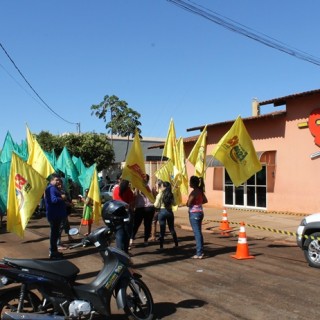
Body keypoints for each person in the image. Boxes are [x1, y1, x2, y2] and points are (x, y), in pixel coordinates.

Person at [44, 173, 67, 259]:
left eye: (59, 180)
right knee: (54, 234)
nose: (58, 181)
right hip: (54, 215)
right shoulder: (51, 189)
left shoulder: (54, 188)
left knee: (55, 233)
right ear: (51, 180)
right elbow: (53, 200)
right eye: (56, 180)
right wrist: (62, 197)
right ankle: (53, 252)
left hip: (56, 214)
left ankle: (54, 250)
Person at [130, 174, 156, 247]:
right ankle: (146, 240)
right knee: (147, 225)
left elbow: (134, 197)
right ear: (148, 180)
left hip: (140, 208)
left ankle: (131, 239)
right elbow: (155, 196)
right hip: (150, 208)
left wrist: (133, 206)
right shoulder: (151, 187)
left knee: (135, 225)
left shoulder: (138, 187)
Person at [186, 175, 208, 259]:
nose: (189, 184)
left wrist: (189, 203)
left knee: (197, 233)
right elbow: (205, 200)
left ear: (192, 183)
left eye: (190, 182)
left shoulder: (194, 192)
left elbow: (188, 203)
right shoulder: (200, 191)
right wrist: (198, 203)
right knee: (199, 232)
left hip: (194, 213)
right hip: (200, 212)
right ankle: (200, 251)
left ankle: (199, 253)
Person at [154, 180, 178, 250]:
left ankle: (161, 246)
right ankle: (176, 244)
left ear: (164, 187)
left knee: (162, 230)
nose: (160, 187)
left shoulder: (160, 194)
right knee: (172, 228)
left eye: (161, 186)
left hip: (162, 212)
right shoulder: (171, 194)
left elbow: (156, 205)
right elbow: (174, 204)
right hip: (170, 212)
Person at [112, 178, 135, 253]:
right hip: (127, 213)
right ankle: (125, 251)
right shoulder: (128, 190)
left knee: (119, 232)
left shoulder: (115, 189)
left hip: (117, 213)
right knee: (127, 233)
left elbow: (113, 200)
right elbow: (131, 203)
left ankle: (119, 251)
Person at [56, 178, 73, 249]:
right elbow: (57, 201)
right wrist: (67, 203)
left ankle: (69, 236)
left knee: (66, 224)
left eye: (61, 184)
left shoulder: (63, 191)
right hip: (58, 212)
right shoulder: (55, 192)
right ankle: (58, 243)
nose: (60, 186)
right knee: (59, 227)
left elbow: (67, 199)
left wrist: (70, 203)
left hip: (64, 212)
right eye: (58, 184)